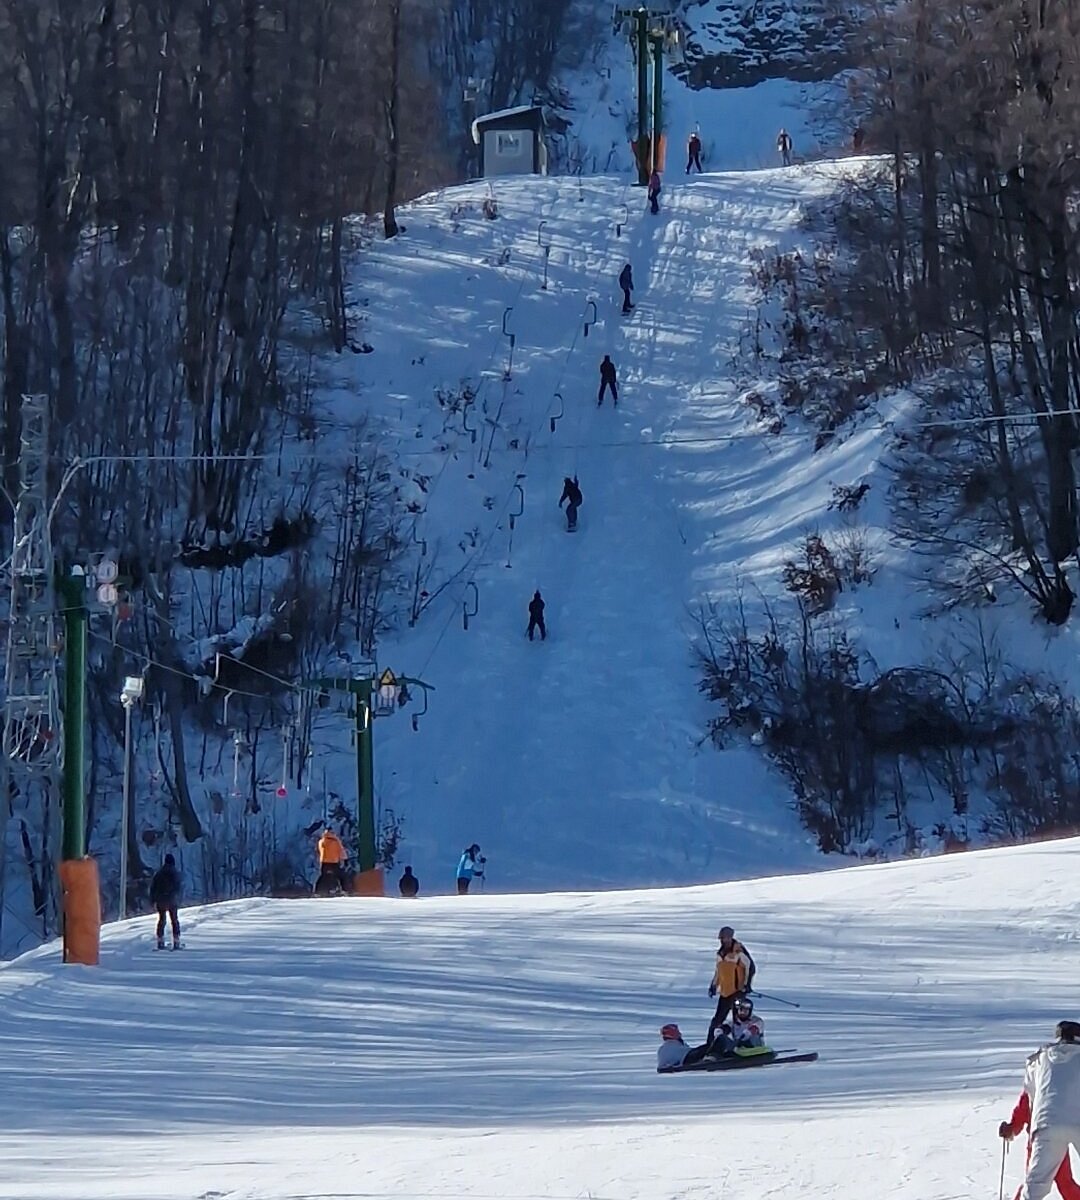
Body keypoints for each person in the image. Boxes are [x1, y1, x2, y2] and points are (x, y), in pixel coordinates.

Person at [1002, 1021, 1080, 1200]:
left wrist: (1013, 1127)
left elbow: (1027, 1098)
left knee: (1035, 1185)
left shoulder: (1040, 1060)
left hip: (1046, 1125)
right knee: (1065, 1183)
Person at [707, 925, 756, 1042]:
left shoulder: (738, 951)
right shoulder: (720, 954)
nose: (723, 941)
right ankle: (710, 1045)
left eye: (725, 938)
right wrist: (714, 986)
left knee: (737, 1019)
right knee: (717, 1020)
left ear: (730, 937)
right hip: (725, 992)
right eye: (721, 939)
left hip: (737, 991)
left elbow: (750, 967)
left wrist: (746, 984)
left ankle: (741, 1044)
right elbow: (719, 972)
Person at [150, 853, 182, 949]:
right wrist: (177, 898)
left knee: (161, 920)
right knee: (174, 920)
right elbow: (178, 887)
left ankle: (160, 941)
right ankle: (176, 942)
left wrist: (153, 900)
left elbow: (153, 888)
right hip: (172, 900)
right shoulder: (175, 873)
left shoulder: (159, 873)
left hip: (160, 900)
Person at [314, 827, 347, 896]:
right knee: (340, 876)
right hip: (334, 861)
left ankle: (318, 891)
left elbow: (318, 851)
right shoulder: (335, 841)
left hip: (324, 861)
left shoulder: (321, 841)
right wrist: (344, 859)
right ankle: (343, 890)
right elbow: (341, 850)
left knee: (323, 876)